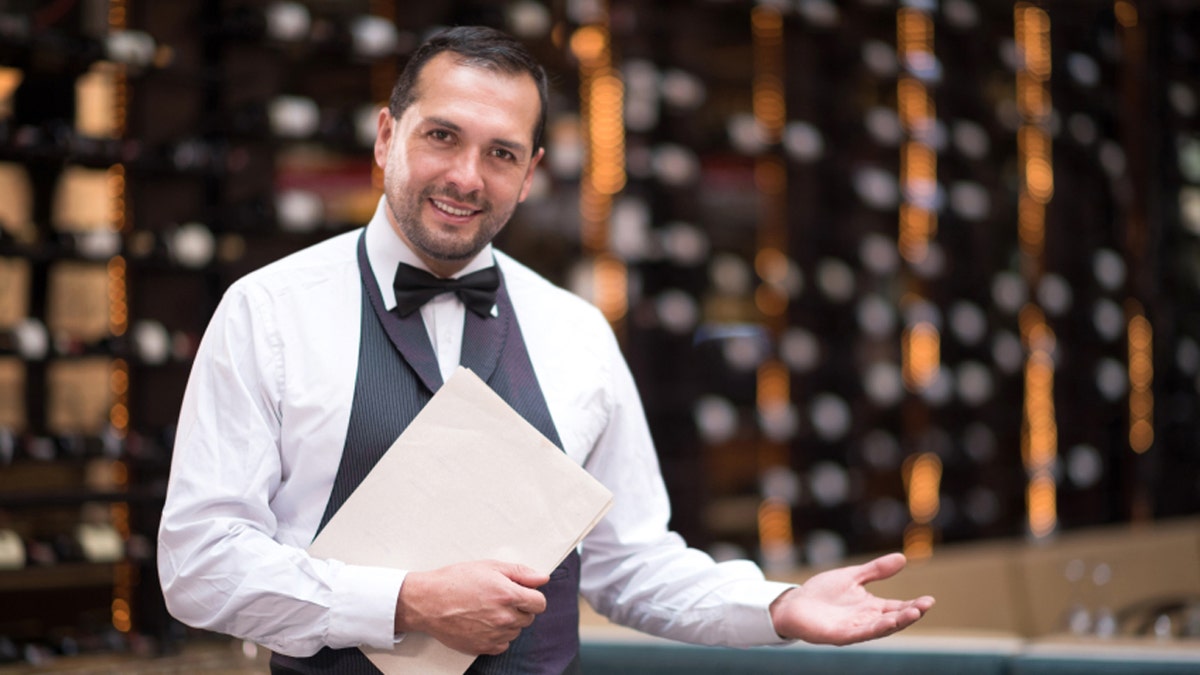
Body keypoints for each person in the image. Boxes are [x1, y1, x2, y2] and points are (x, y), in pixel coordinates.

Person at [157, 25, 934, 675]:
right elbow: (199, 564)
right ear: (387, 136)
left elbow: (631, 564)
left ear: (529, 175)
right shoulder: (268, 311)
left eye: (501, 153)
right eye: (442, 137)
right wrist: (403, 601)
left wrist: (778, 606)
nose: (466, 176)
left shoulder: (577, 333)